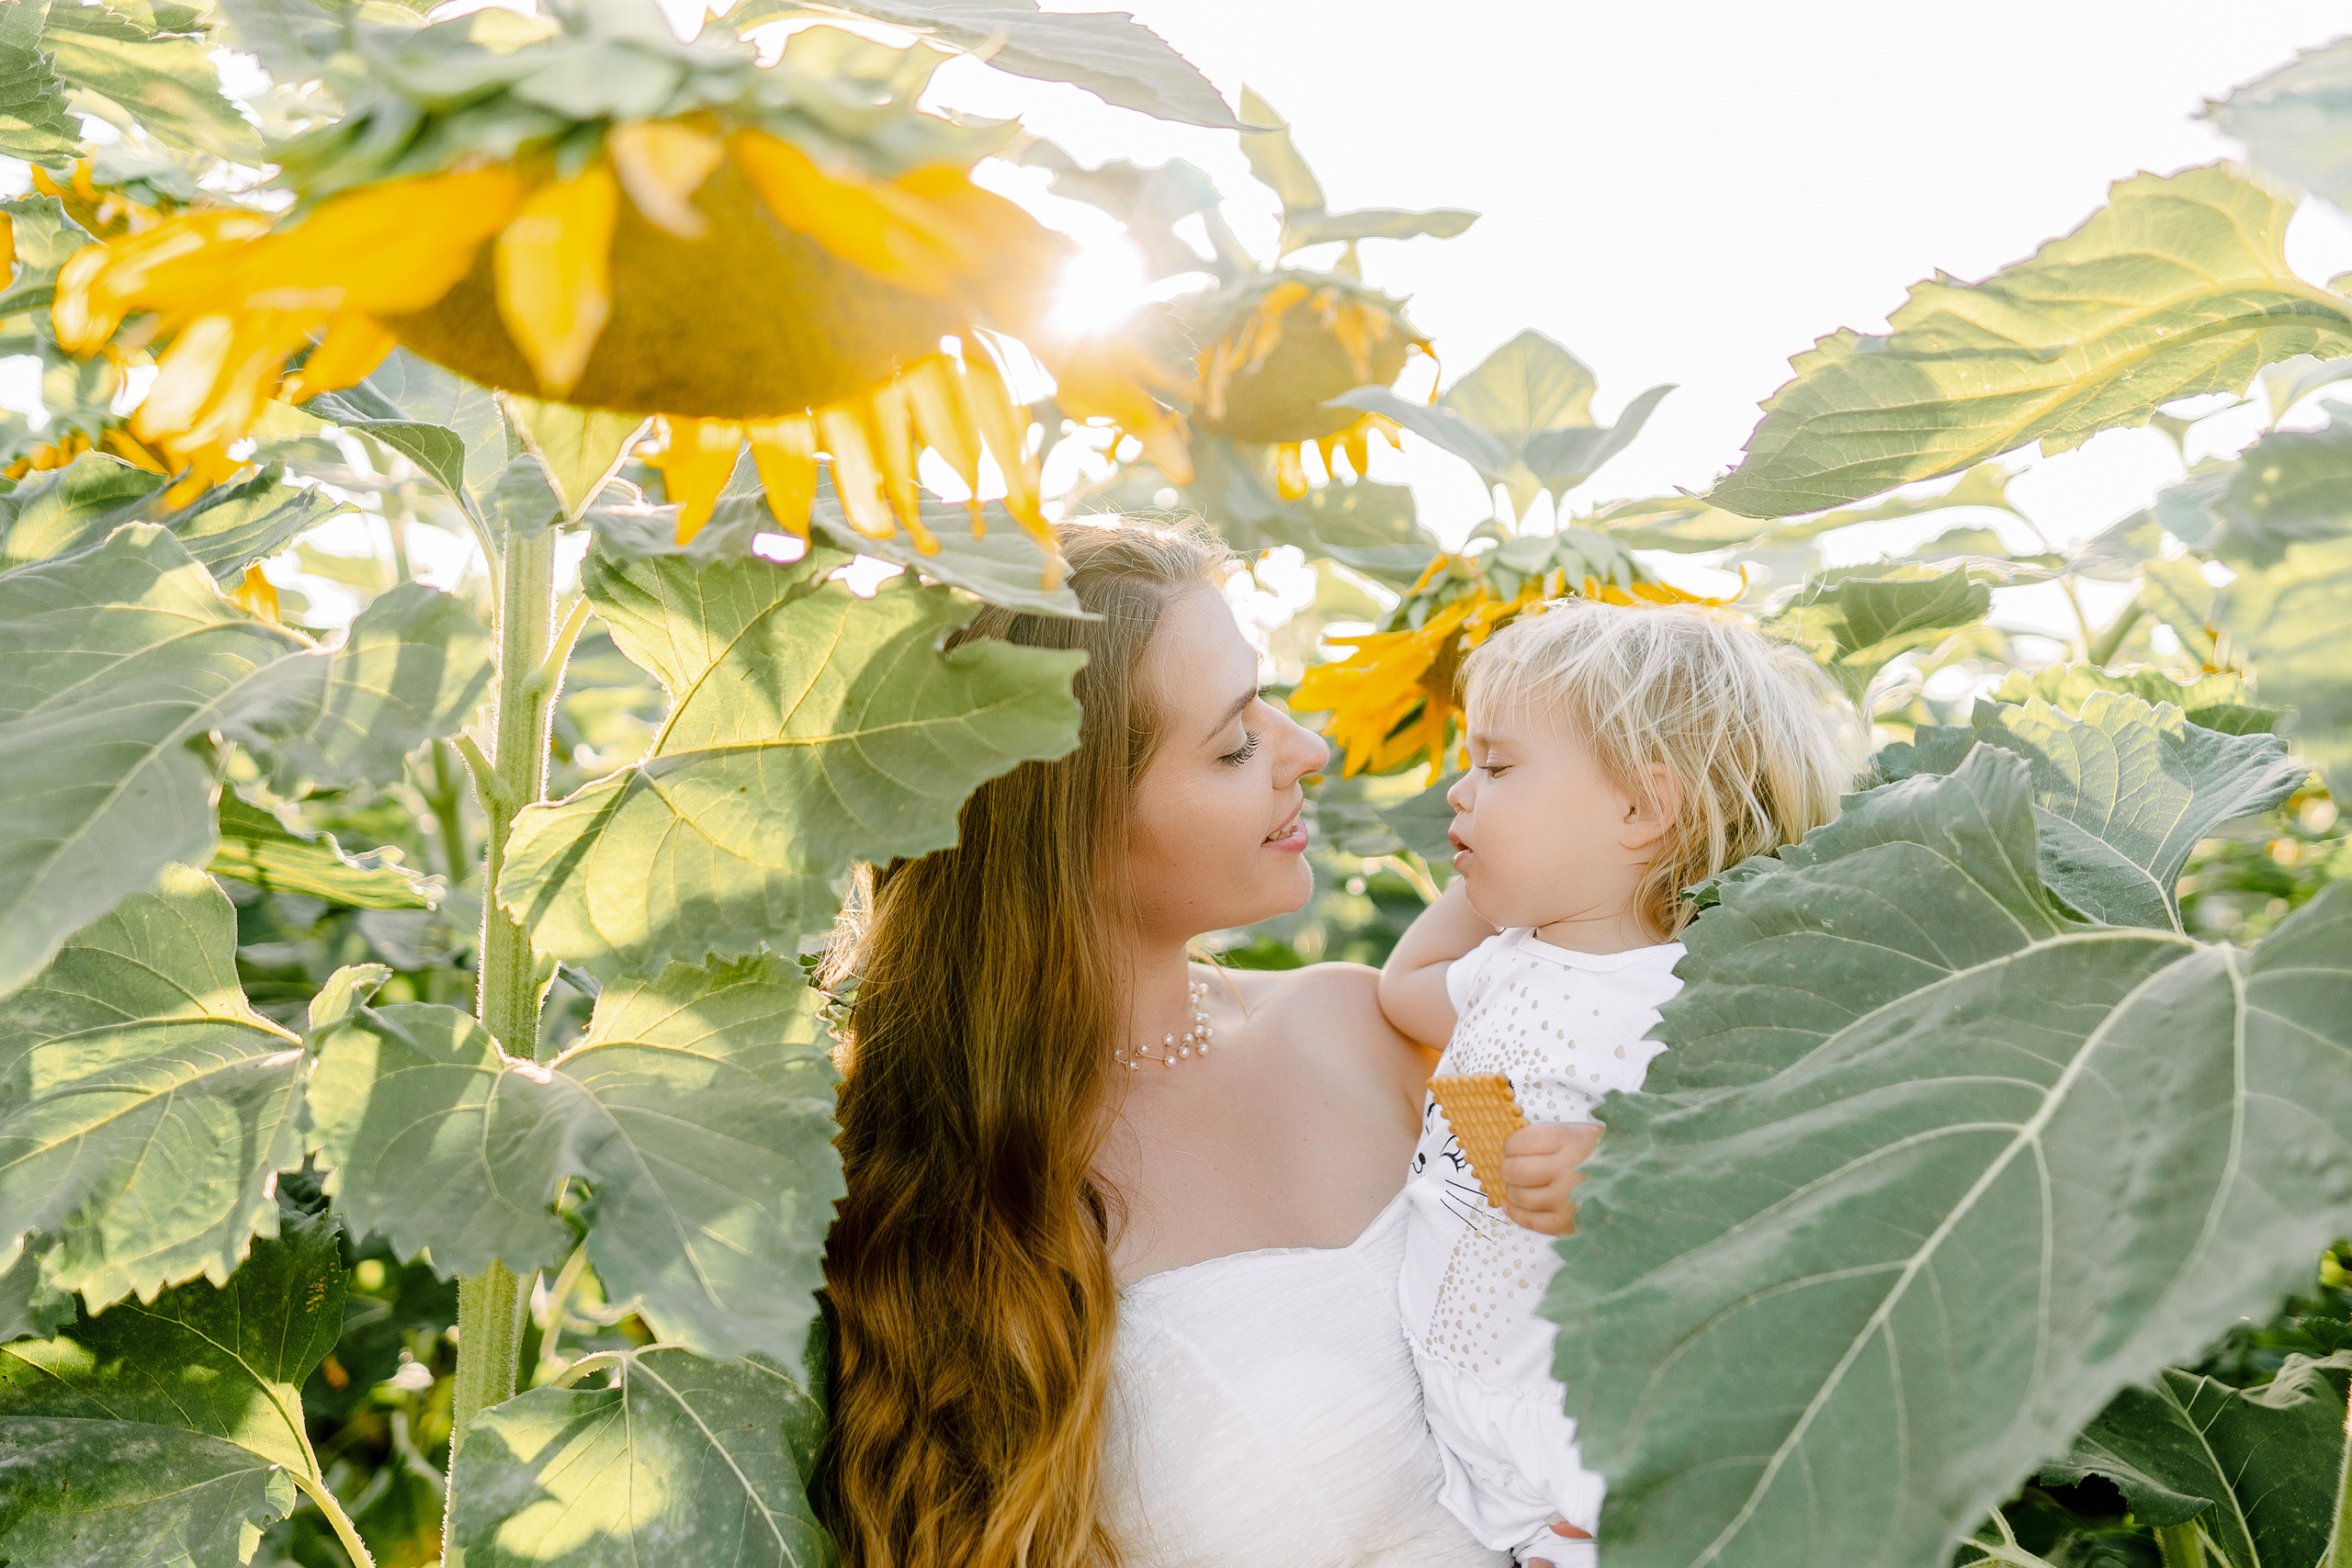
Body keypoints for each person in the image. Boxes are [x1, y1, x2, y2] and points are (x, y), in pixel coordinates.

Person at [816, 518, 1591, 1568]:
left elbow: (1582, 1248)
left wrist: (1616, 1174)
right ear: (1064, 825)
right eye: (1233, 744)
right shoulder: (909, 1198)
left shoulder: (1375, 1026)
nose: (1305, 751)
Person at [1376, 597, 1860, 1566]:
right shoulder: (1513, 962)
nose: (1458, 795)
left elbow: (1798, 1186)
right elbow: (1407, 993)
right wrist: (1486, 865)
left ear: (1642, 808)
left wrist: (1636, 1177)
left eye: (1497, 765)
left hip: (1605, 1459)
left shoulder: (1701, 999)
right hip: (1477, 1439)